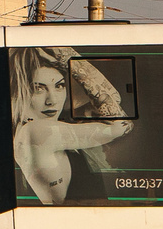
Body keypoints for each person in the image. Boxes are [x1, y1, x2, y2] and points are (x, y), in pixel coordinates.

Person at [11, 48, 131, 205]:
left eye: (59, 86)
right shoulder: (37, 132)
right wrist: (65, 55)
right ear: (19, 92)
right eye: (38, 89)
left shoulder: (26, 132)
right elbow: (121, 124)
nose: (52, 100)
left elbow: (114, 98)